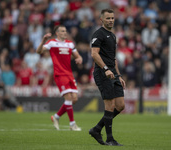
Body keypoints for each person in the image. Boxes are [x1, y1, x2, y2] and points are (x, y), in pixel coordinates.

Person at [89, 9, 126, 146]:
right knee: (110, 105)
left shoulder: (113, 36)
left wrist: (119, 75)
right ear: (101, 20)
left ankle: (97, 129)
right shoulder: (98, 34)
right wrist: (105, 69)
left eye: (112, 18)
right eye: (108, 18)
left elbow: (113, 58)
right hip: (103, 73)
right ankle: (110, 139)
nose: (111, 20)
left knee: (120, 105)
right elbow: (94, 54)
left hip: (113, 73)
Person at [36, 25, 83, 131]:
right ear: (57, 33)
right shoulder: (52, 43)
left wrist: (79, 58)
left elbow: (77, 55)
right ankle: (72, 124)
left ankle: (56, 117)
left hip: (69, 74)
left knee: (74, 99)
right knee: (68, 98)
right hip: (59, 74)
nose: (64, 33)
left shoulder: (70, 44)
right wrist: (43, 40)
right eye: (62, 31)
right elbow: (39, 51)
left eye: (65, 31)